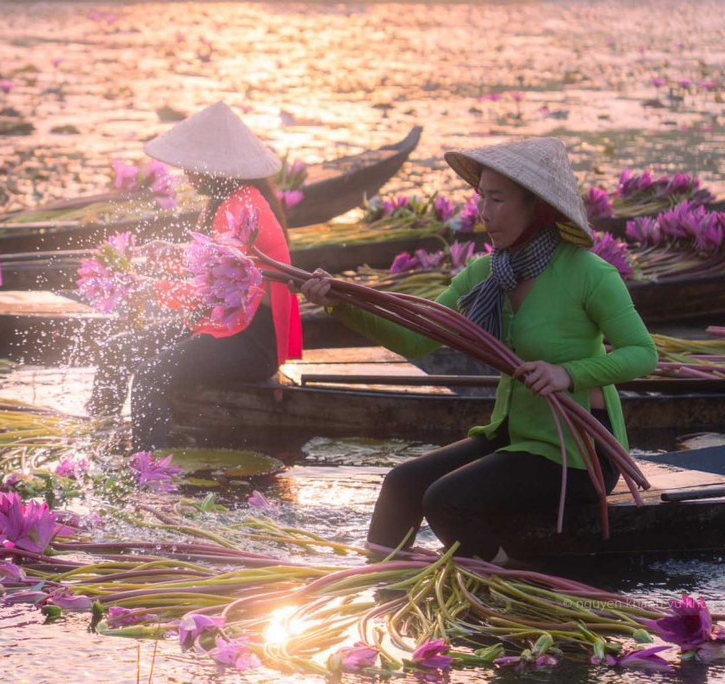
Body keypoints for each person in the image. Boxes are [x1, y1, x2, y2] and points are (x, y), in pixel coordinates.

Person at [297, 137, 658, 562]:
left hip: (575, 454)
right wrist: (341, 302)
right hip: (514, 435)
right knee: (401, 485)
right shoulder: (487, 273)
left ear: (537, 208)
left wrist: (568, 374)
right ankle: (382, 588)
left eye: (498, 199)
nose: (483, 213)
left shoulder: (589, 274)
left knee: (447, 499)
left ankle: (502, 593)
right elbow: (416, 337)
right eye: (481, 197)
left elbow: (642, 354)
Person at [89, 102, 303, 451]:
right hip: (223, 324)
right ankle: (99, 439)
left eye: (192, 167)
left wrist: (153, 289)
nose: (186, 173)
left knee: (149, 377)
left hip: (250, 341)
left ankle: (148, 469)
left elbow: (210, 294)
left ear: (215, 169)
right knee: (119, 349)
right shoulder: (225, 200)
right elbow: (209, 268)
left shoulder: (241, 208)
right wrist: (169, 252)